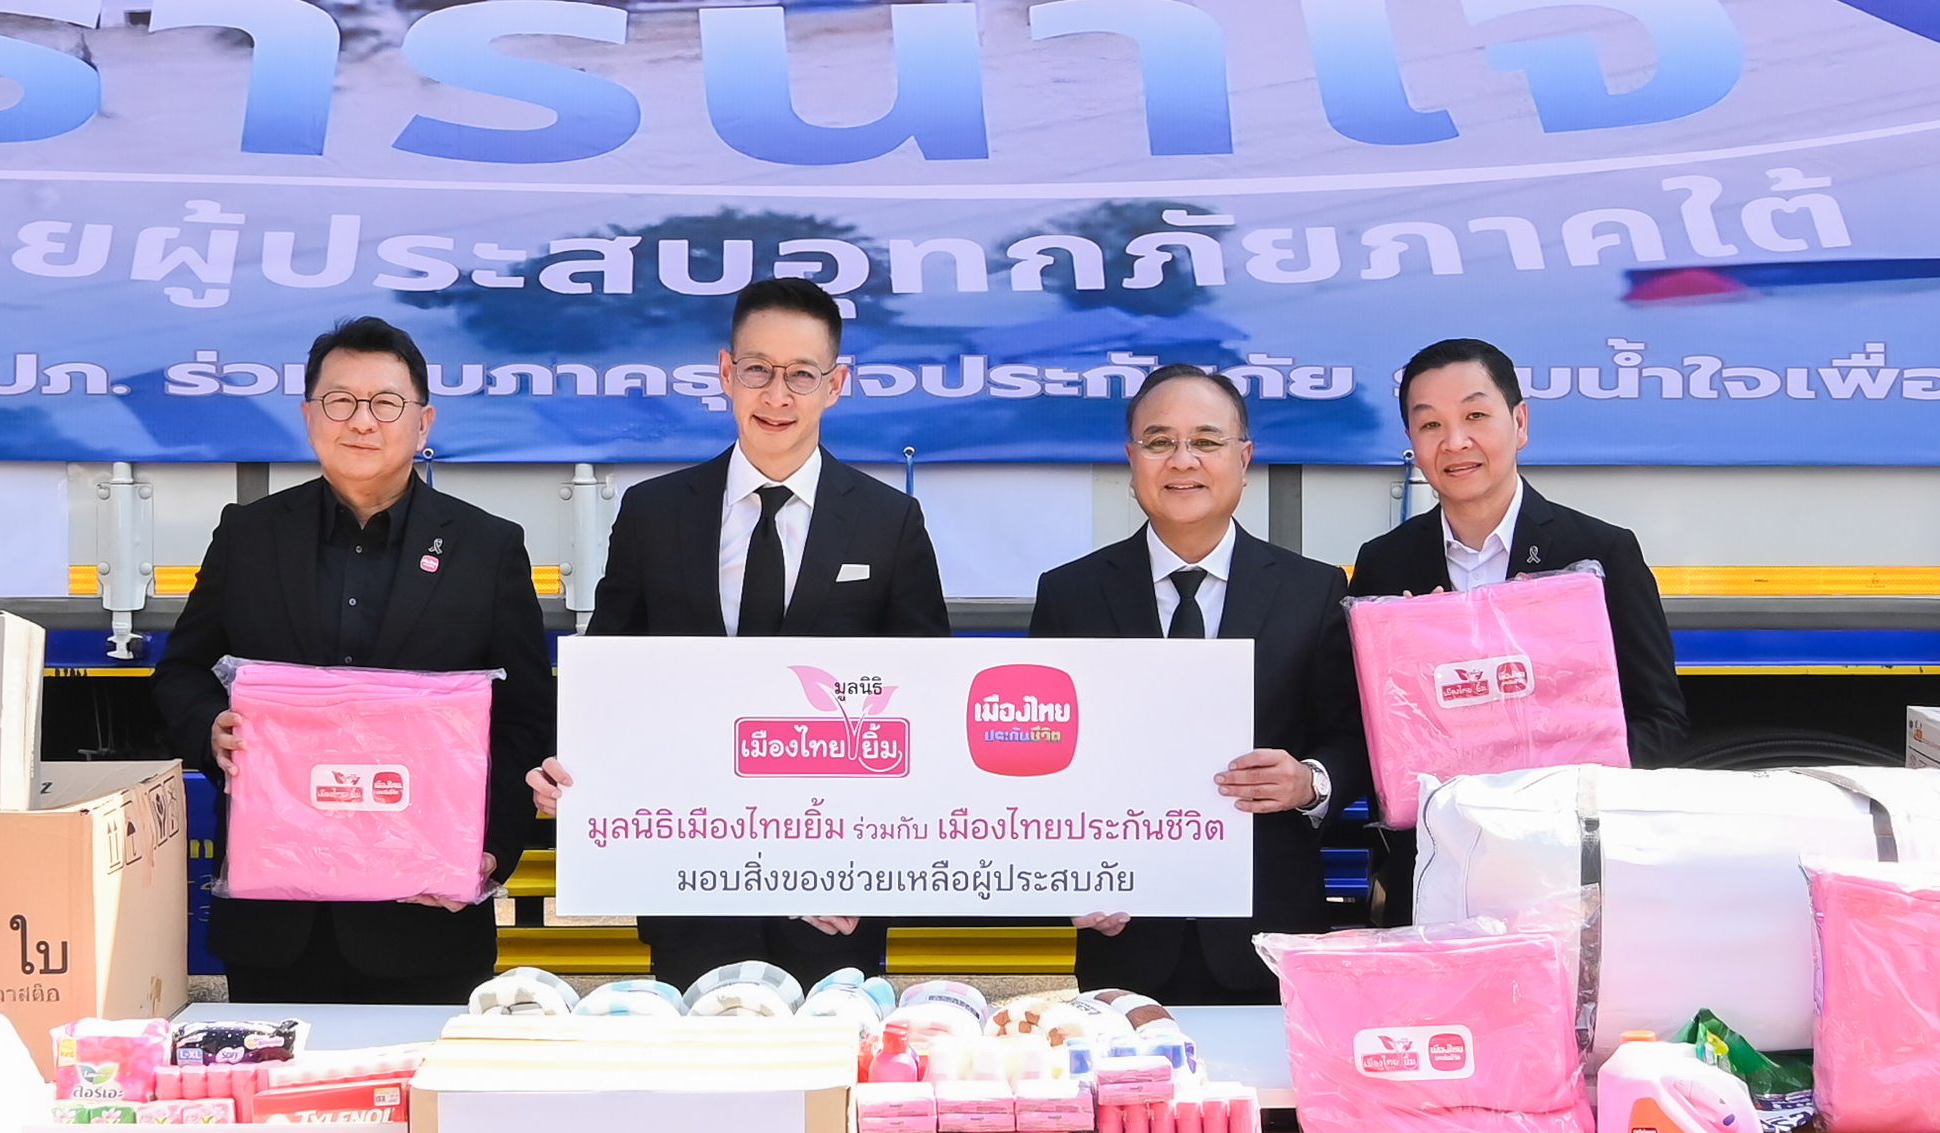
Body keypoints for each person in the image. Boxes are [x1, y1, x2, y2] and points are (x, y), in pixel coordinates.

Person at [529, 278, 950, 989]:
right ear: (726, 373)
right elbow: (609, 680)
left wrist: (869, 869)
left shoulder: (889, 522)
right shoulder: (654, 513)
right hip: (689, 876)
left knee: (829, 1052)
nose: (777, 395)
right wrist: (570, 771)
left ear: (835, 384)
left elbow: (924, 703)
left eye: (801, 374)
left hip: (832, 889)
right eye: (758, 370)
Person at [153, 316, 556, 1003]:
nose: (362, 421)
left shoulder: (487, 548)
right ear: (309, 416)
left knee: (428, 1074)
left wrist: (487, 849)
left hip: (425, 916)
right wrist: (209, 727)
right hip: (277, 918)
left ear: (423, 422)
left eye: (385, 403)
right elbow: (181, 672)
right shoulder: (249, 535)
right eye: (340, 401)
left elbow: (523, 716)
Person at [1027, 364, 1369, 1004]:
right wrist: (1069, 878)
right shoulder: (1071, 594)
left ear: (1245, 458)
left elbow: (1353, 738)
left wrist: (1310, 781)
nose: (1183, 460)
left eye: (1207, 441)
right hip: (1125, 929)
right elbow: (1039, 757)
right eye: (1159, 442)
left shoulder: (1313, 590)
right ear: (1132, 461)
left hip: (1269, 932)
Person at [1349, 337, 1689, 919]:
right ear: (1411, 441)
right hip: (1434, 870)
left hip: (1565, 869)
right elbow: (1364, 733)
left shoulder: (1599, 552)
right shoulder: (1385, 564)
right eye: (1430, 425)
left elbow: (1662, 723)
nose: (1455, 442)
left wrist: (1566, 784)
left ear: (1520, 422)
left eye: (1476, 416)